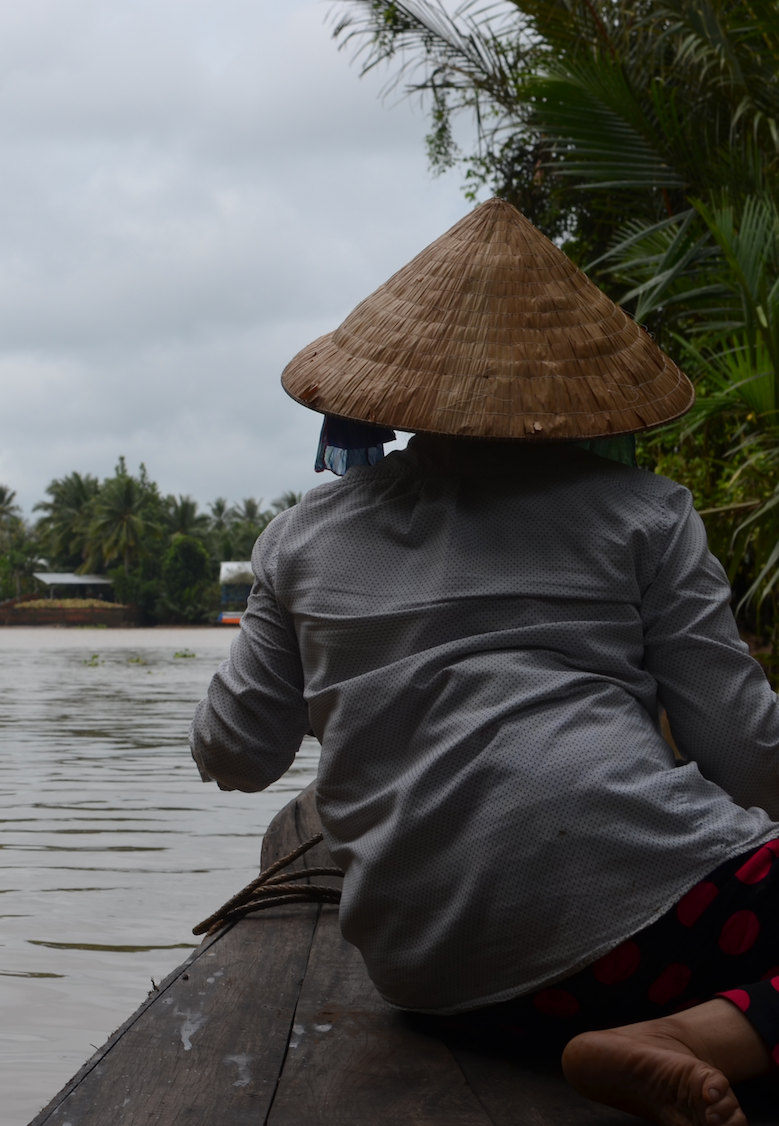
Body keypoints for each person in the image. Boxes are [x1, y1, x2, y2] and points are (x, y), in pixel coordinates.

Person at [192, 198, 779, 1126]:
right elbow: (746, 752)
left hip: (442, 984)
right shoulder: (644, 512)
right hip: (650, 924)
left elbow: (236, 755)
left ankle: (676, 1033)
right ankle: (693, 1036)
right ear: (573, 392)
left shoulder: (300, 539)